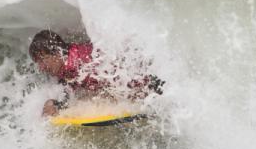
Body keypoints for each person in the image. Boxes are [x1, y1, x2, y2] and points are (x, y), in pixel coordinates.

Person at [29, 30, 164, 116]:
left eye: (43, 60)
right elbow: (69, 87)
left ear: (57, 52)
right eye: (38, 62)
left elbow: (117, 75)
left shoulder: (77, 62)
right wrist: (57, 105)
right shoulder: (65, 65)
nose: (41, 67)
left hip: (144, 76)